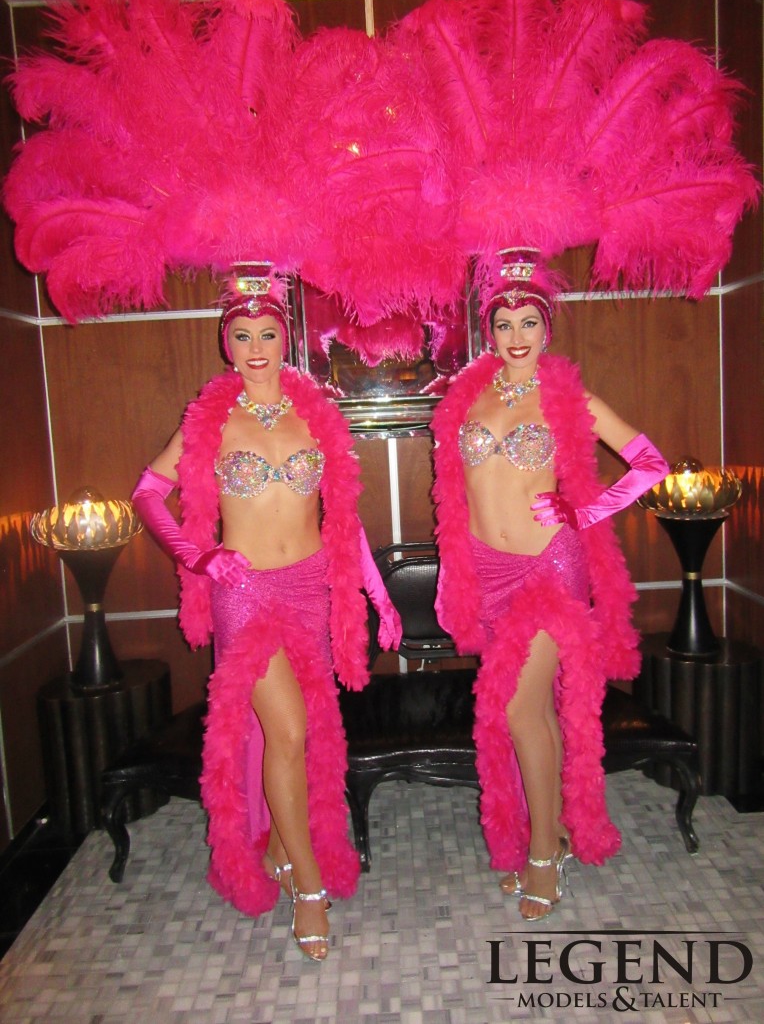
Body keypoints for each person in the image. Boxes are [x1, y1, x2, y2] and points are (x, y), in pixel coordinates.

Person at [132, 274, 401, 960]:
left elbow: (343, 521)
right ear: (226, 343)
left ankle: (281, 844)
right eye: (242, 335)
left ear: (288, 340)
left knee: (300, 735)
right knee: (286, 730)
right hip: (245, 593)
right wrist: (198, 556)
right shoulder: (210, 421)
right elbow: (148, 492)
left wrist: (379, 595)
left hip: (312, 590)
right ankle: (308, 887)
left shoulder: (318, 416)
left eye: (268, 334)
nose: (256, 347)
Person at [431, 249, 668, 922]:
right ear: (488, 329)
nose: (515, 336)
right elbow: (453, 497)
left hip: (547, 570)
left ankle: (542, 852)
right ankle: (554, 824)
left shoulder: (569, 399)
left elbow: (649, 463)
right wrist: (455, 572)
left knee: (516, 709)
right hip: (487, 572)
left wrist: (584, 511)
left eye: (527, 322)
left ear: (547, 327)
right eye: (503, 323)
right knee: (531, 713)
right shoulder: (465, 399)